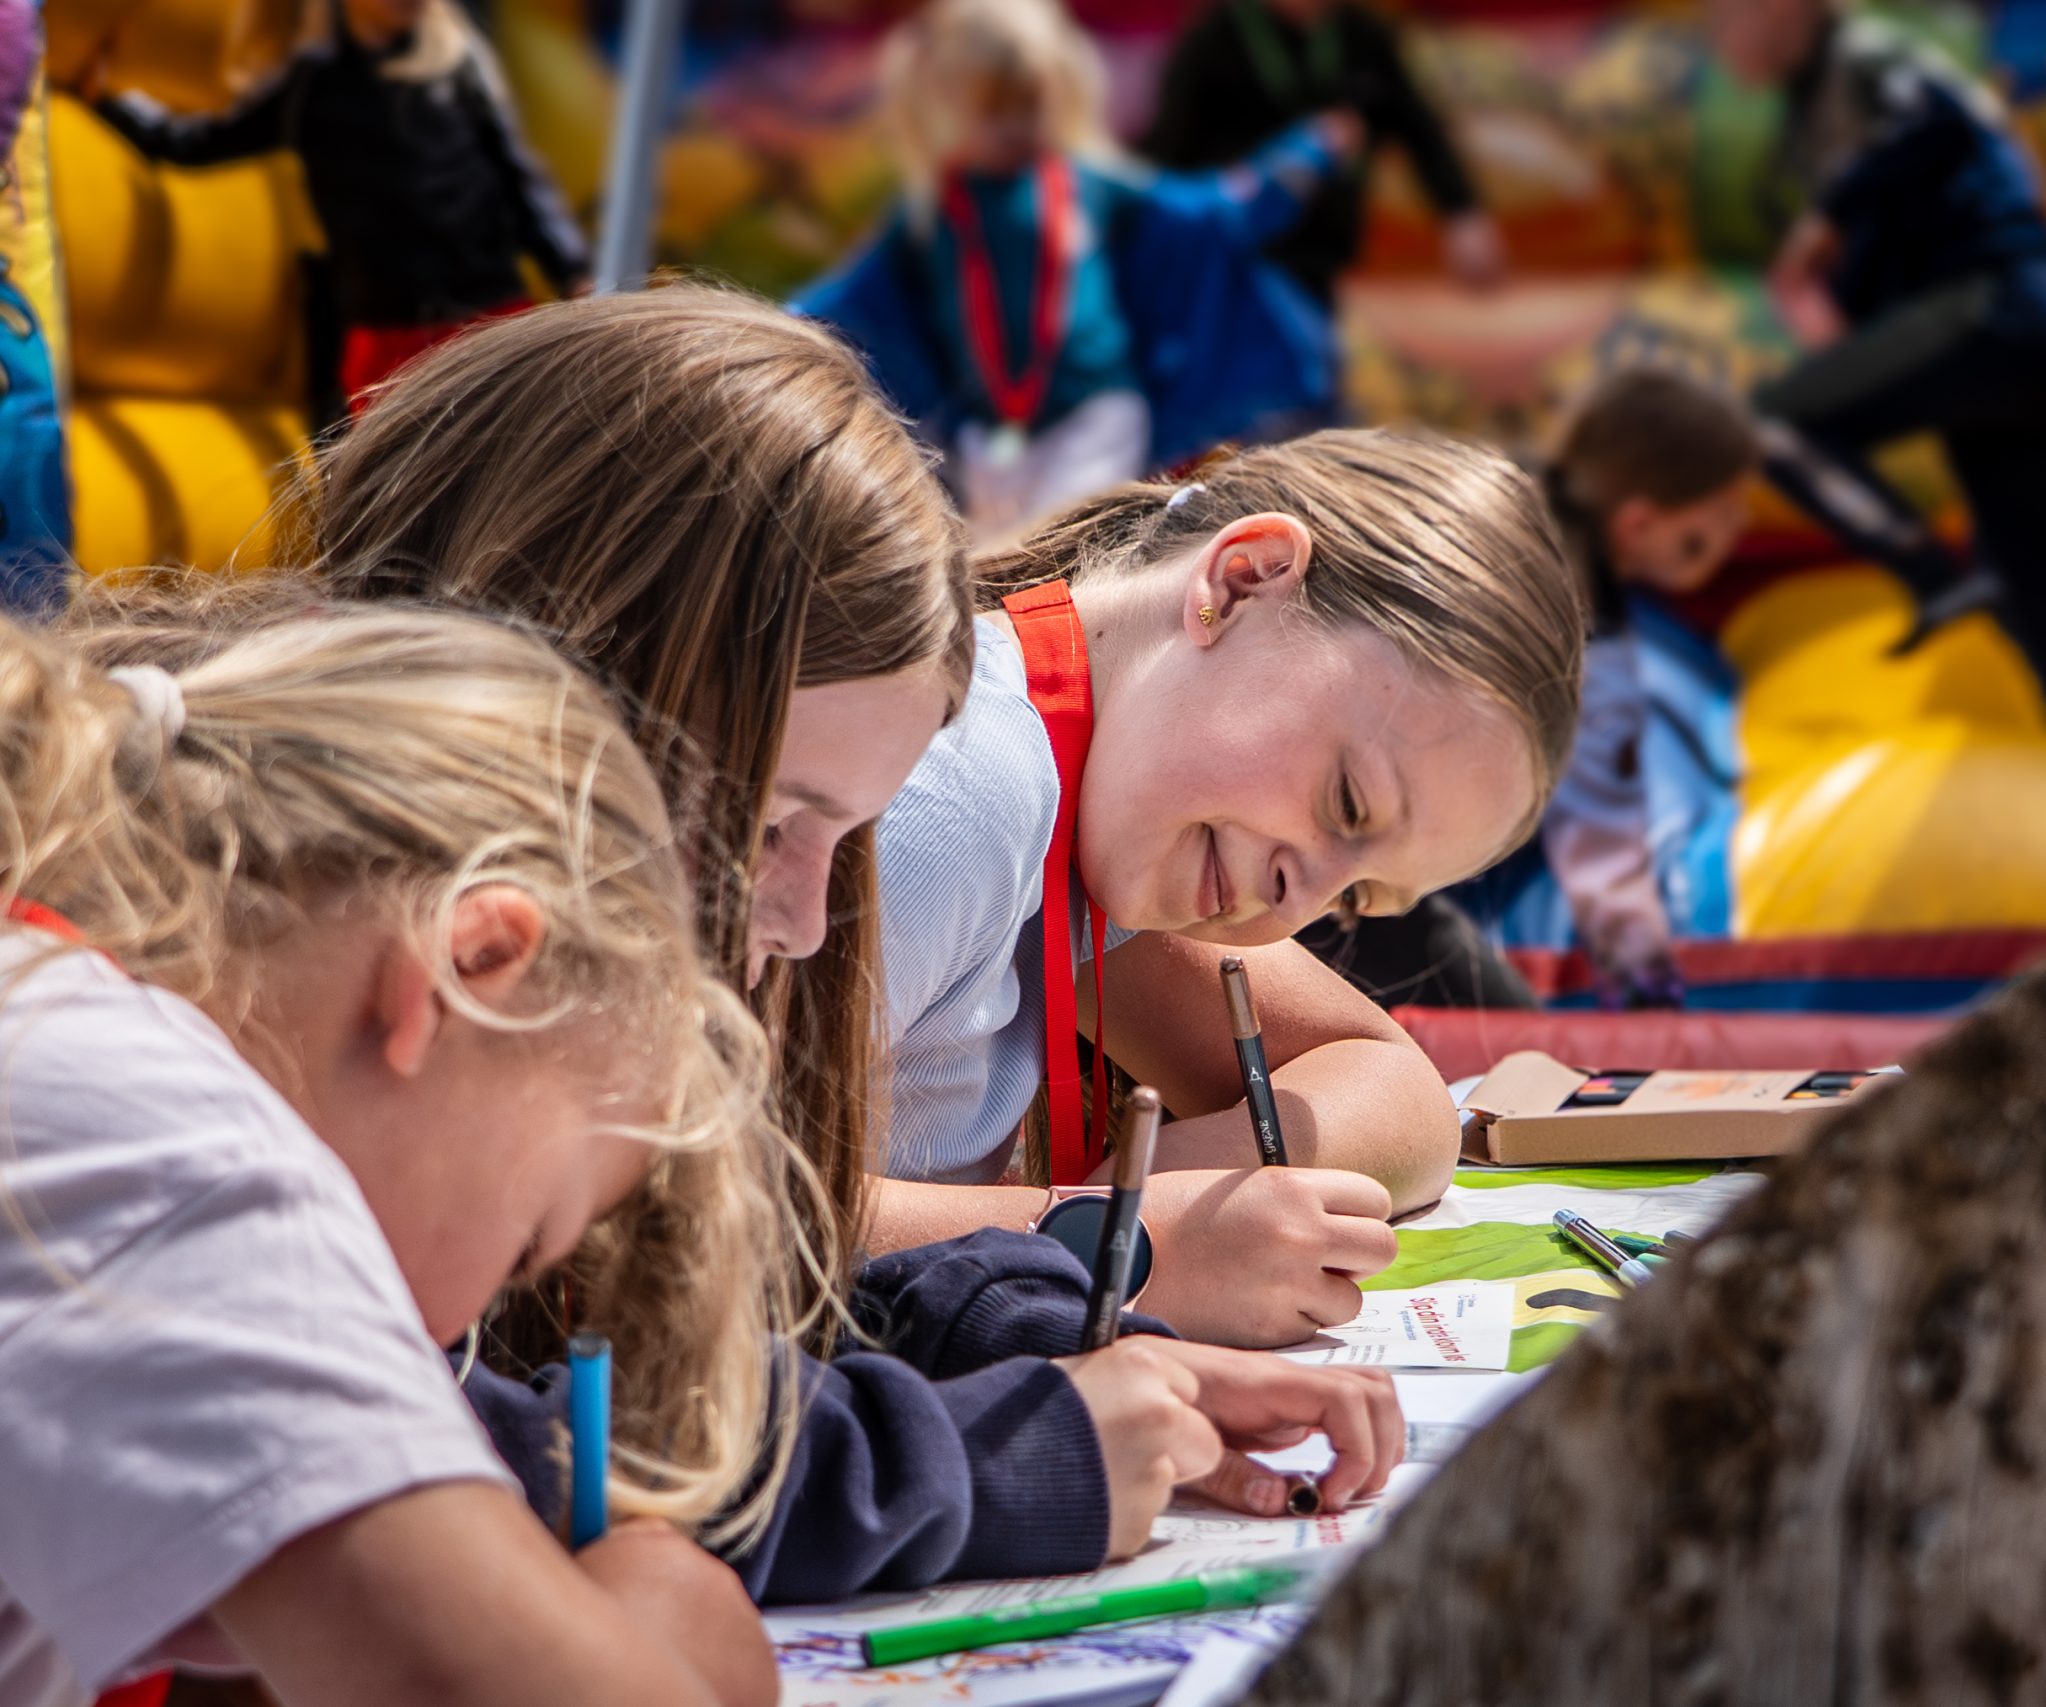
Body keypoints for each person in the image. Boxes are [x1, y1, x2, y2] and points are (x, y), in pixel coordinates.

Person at [280, 288, 1408, 1601]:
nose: (809, 921)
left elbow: (672, 1324)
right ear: (562, 707)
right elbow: (451, 1477)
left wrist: (1056, 1340)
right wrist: (999, 1450)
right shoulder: (245, 1049)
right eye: (778, 823)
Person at [0, 600, 792, 1707]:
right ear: (471, 965)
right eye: (526, 1244)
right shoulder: (170, 1154)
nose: (449, 1336)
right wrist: (667, 1620)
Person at [866, 429, 1586, 1347]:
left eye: (1358, 895)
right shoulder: (961, 783)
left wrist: (1145, 1206)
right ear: (1241, 579)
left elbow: (1402, 1098)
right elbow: (666, 1215)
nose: (1299, 900)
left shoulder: (1098, 810)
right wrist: (1127, 1245)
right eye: (1346, 801)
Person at [1704, 0, 2046, 733]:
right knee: (2030, 585)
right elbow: (1894, 221)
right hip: (2028, 331)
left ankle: (1935, 577)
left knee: (1769, 423)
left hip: (1998, 304)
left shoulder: (1863, 53)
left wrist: (1822, 221)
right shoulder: (1807, 106)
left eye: (1724, 12)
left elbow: (1933, 125)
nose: (1714, 29)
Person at [794, 0, 1346, 536]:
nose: (1014, 126)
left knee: (1058, 541)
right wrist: (784, 323)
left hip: (1097, 414)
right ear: (946, 106)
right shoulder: (933, 211)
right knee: (991, 565)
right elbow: (852, 297)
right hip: (990, 436)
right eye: (993, 110)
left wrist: (1297, 162)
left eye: (1028, 105)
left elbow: (1209, 212)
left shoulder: (1085, 183)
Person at [84, 0, 589, 411]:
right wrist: (115, 102)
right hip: (389, 333)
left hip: (488, 315)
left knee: (507, 465)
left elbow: (519, 177)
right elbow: (197, 143)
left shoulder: (454, 68)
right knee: (407, 492)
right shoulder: (313, 87)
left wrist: (570, 268)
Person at [1143, 0, 1502, 306]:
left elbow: (1419, 130)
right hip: (1234, 256)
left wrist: (1462, 210)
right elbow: (1166, 155)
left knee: (1310, 368)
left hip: (1324, 246)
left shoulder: (1361, 34)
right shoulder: (1213, 36)